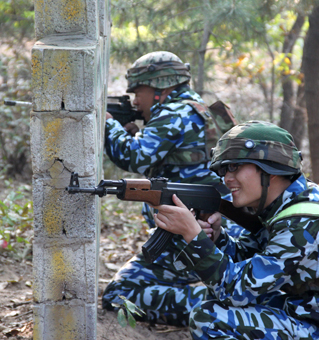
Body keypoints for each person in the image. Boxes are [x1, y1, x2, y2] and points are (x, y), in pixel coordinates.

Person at [153, 120, 319, 339]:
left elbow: (234, 290)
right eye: (224, 170)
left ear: (270, 168)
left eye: (234, 167)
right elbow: (250, 262)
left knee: (209, 318)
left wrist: (193, 236)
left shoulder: (304, 222)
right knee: (212, 298)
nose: (227, 178)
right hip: (311, 313)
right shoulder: (283, 202)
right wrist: (216, 238)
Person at [102, 51, 243, 326]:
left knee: (120, 294)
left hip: (192, 234)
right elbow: (174, 157)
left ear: (160, 88)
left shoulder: (174, 112)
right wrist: (131, 131)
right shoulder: (197, 108)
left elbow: (134, 156)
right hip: (208, 231)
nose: (135, 100)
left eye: (138, 91)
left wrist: (108, 124)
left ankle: (214, 306)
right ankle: (209, 291)